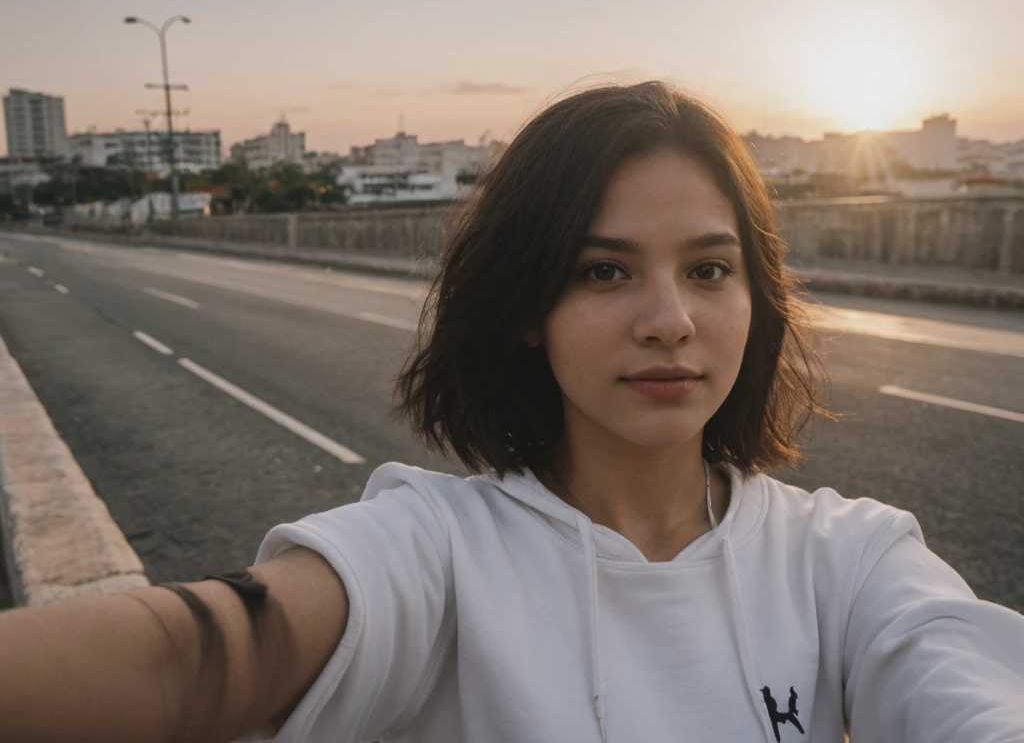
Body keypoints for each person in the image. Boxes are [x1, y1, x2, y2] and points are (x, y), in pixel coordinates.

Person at [2, 81, 1023, 743]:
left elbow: (966, 685)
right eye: (603, 271)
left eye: (709, 268)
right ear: (528, 309)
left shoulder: (848, 559)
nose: (670, 321)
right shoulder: (434, 552)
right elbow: (202, 652)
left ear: (754, 300)